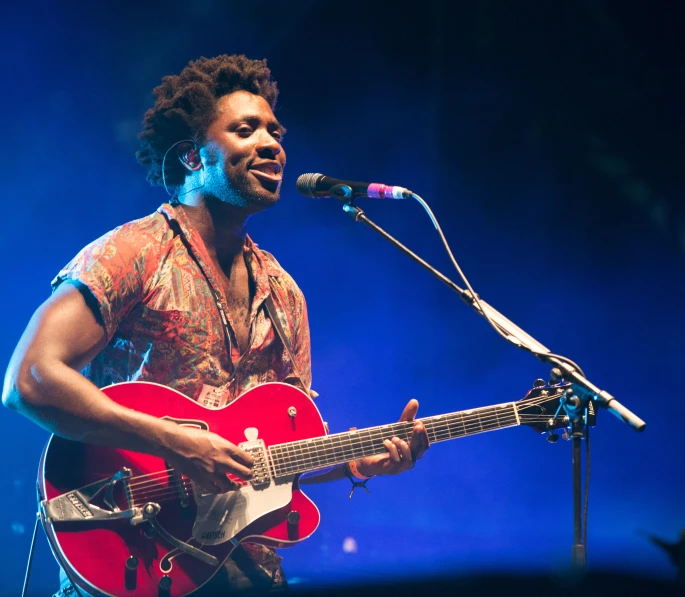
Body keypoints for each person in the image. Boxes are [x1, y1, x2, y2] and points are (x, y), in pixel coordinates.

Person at [2, 54, 429, 595]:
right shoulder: (135, 252)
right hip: (134, 548)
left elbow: (274, 458)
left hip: (247, 573)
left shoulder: (284, 293)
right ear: (190, 156)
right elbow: (30, 380)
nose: (272, 143)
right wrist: (172, 442)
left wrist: (355, 463)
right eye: (245, 129)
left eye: (275, 131)